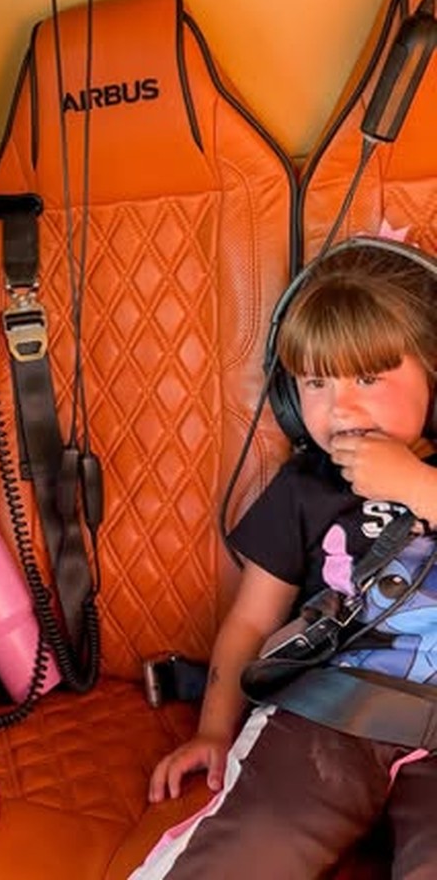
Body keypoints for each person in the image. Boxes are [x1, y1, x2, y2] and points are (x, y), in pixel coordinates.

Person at [133, 240, 437, 879]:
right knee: (244, 849)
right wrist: (214, 730)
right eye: (316, 382)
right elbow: (250, 622)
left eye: (369, 376)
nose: (341, 406)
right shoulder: (305, 488)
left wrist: (416, 487)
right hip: (329, 715)